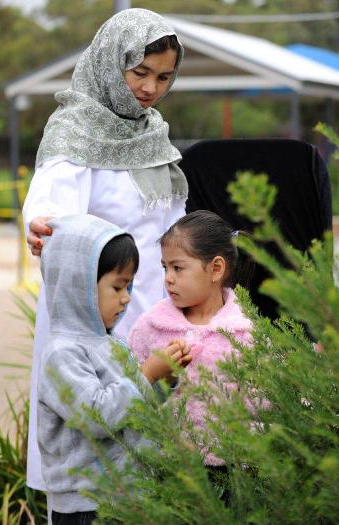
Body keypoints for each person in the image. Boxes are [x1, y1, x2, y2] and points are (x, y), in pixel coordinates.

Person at [22, 8, 188, 491]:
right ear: (109, 63)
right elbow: (51, 214)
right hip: (96, 324)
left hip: (158, 316)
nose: (150, 88)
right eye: (139, 72)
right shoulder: (74, 131)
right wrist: (40, 226)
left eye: (163, 77)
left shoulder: (153, 134)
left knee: (156, 475)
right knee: (99, 470)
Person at [38, 214, 191, 525]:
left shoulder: (111, 343)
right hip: (86, 506)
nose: (126, 299)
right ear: (77, 286)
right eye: (118, 287)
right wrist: (147, 373)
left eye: (129, 286)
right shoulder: (62, 353)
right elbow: (98, 417)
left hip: (125, 496)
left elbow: (132, 408)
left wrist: (164, 380)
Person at [128, 210, 255, 474]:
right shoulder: (149, 328)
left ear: (216, 269)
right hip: (161, 469)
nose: (168, 278)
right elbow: (128, 395)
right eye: (165, 267)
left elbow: (259, 409)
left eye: (178, 267)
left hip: (228, 474)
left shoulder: (245, 334)